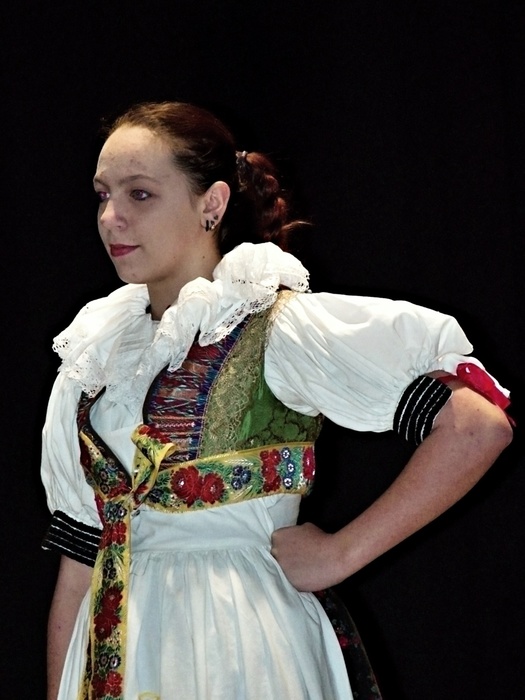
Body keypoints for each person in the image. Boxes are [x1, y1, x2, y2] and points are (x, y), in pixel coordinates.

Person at [41, 101, 513, 700]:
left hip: (239, 646)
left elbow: (476, 425)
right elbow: (81, 558)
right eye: (103, 195)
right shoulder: (93, 361)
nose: (111, 217)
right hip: (115, 654)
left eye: (140, 194)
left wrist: (340, 554)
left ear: (212, 204)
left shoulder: (275, 329)